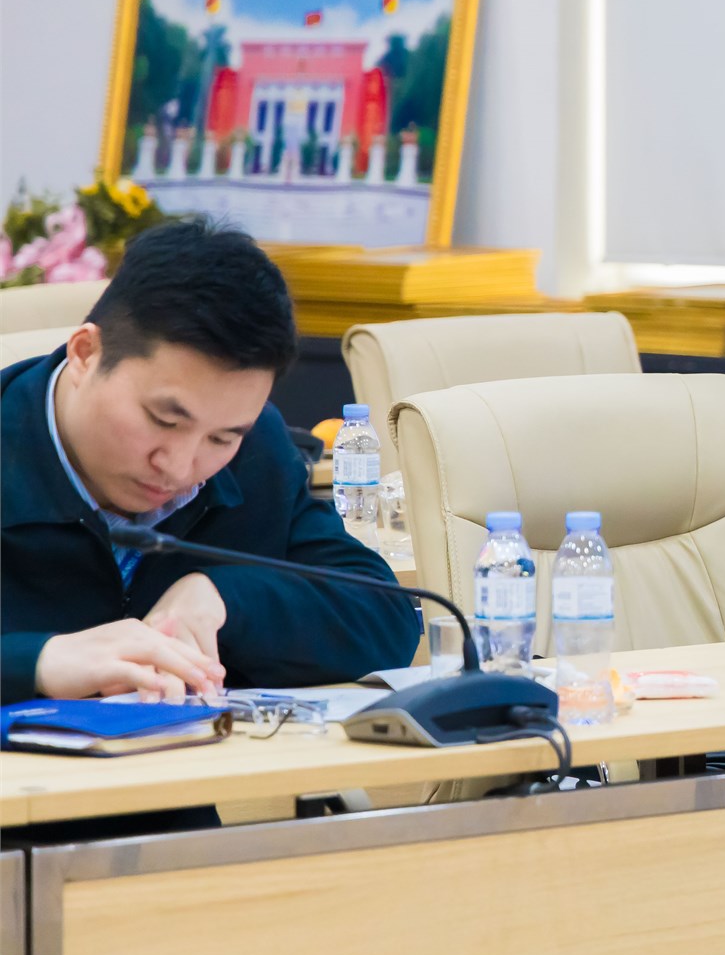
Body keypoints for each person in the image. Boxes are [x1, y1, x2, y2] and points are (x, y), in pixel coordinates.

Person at [1, 218, 422, 707]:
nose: (180, 468)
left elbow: (384, 617)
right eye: (163, 419)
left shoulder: (256, 449)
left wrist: (223, 596)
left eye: (222, 437)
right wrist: (37, 661)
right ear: (85, 353)